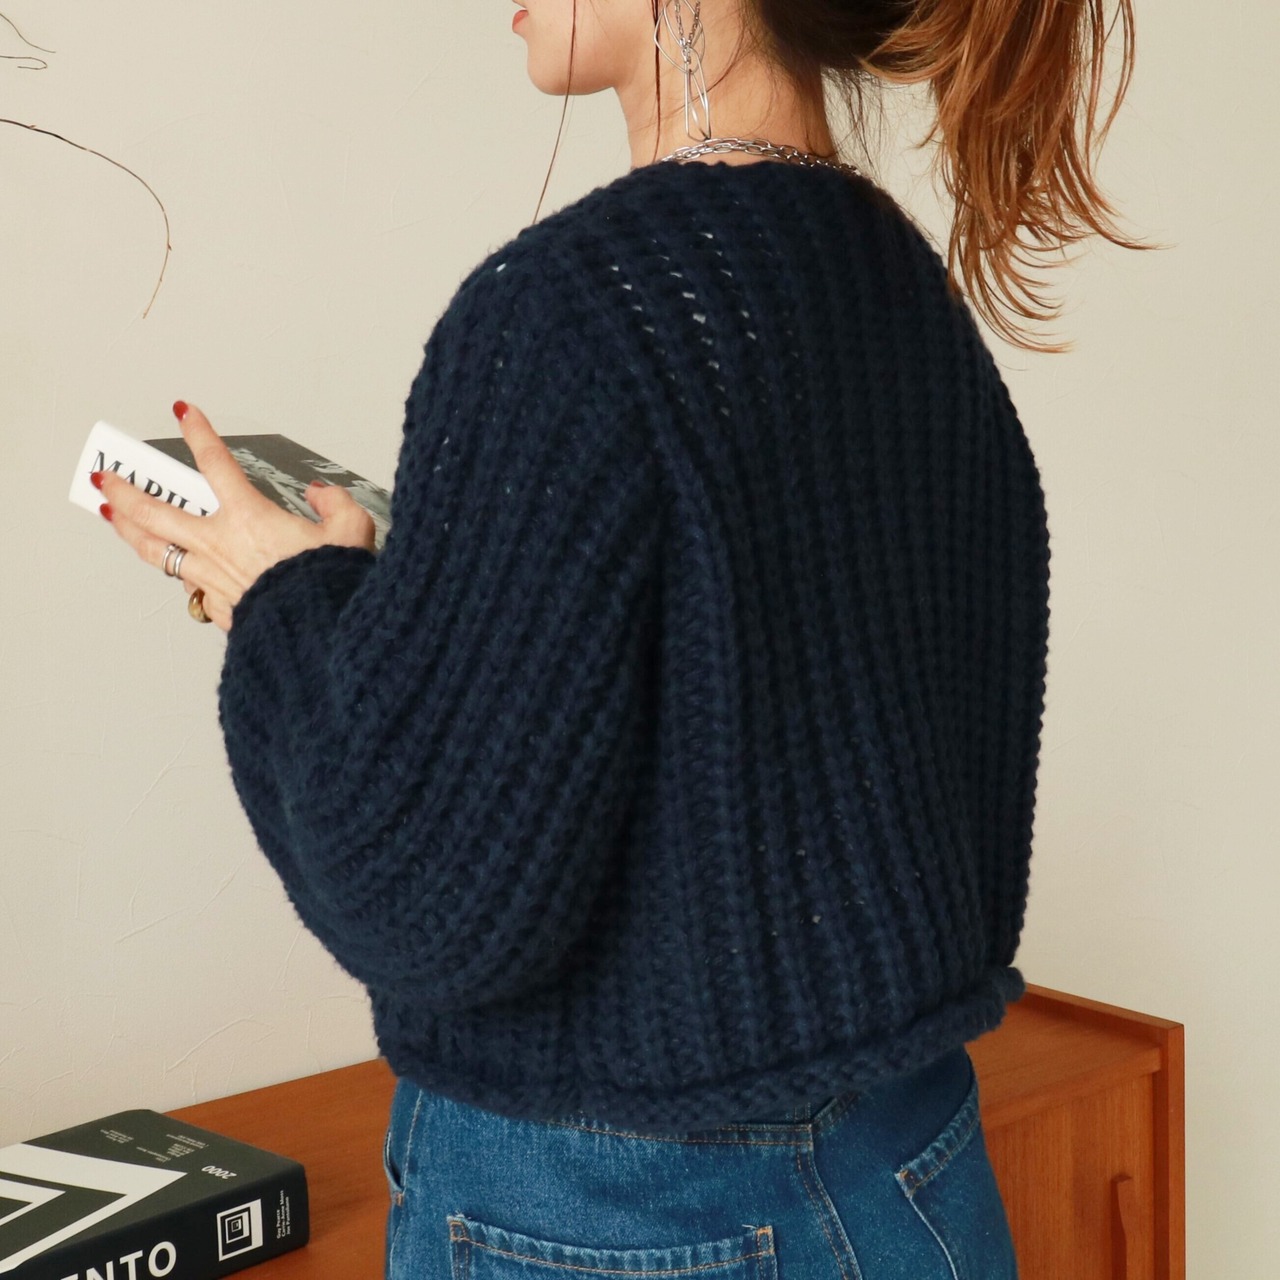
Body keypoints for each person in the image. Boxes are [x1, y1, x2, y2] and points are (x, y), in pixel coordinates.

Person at [95, 0, 1143, 1275]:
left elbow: (423, 897)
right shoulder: (892, 278)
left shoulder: (567, 310)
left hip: (619, 1218)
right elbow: (749, 698)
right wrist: (407, 603)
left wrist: (281, 596)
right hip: (910, 1165)